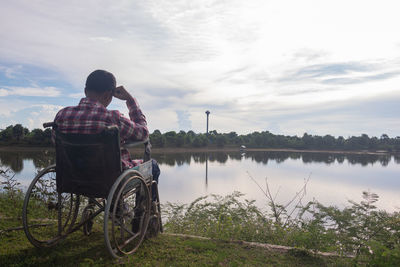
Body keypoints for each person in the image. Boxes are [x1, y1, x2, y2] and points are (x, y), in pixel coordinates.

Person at [53, 69, 160, 193]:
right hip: (111, 181)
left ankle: (120, 208)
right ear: (108, 95)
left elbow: (56, 142)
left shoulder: (62, 115)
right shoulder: (112, 118)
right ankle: (142, 211)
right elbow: (143, 134)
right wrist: (130, 100)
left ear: (85, 91)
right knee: (153, 165)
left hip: (72, 177)